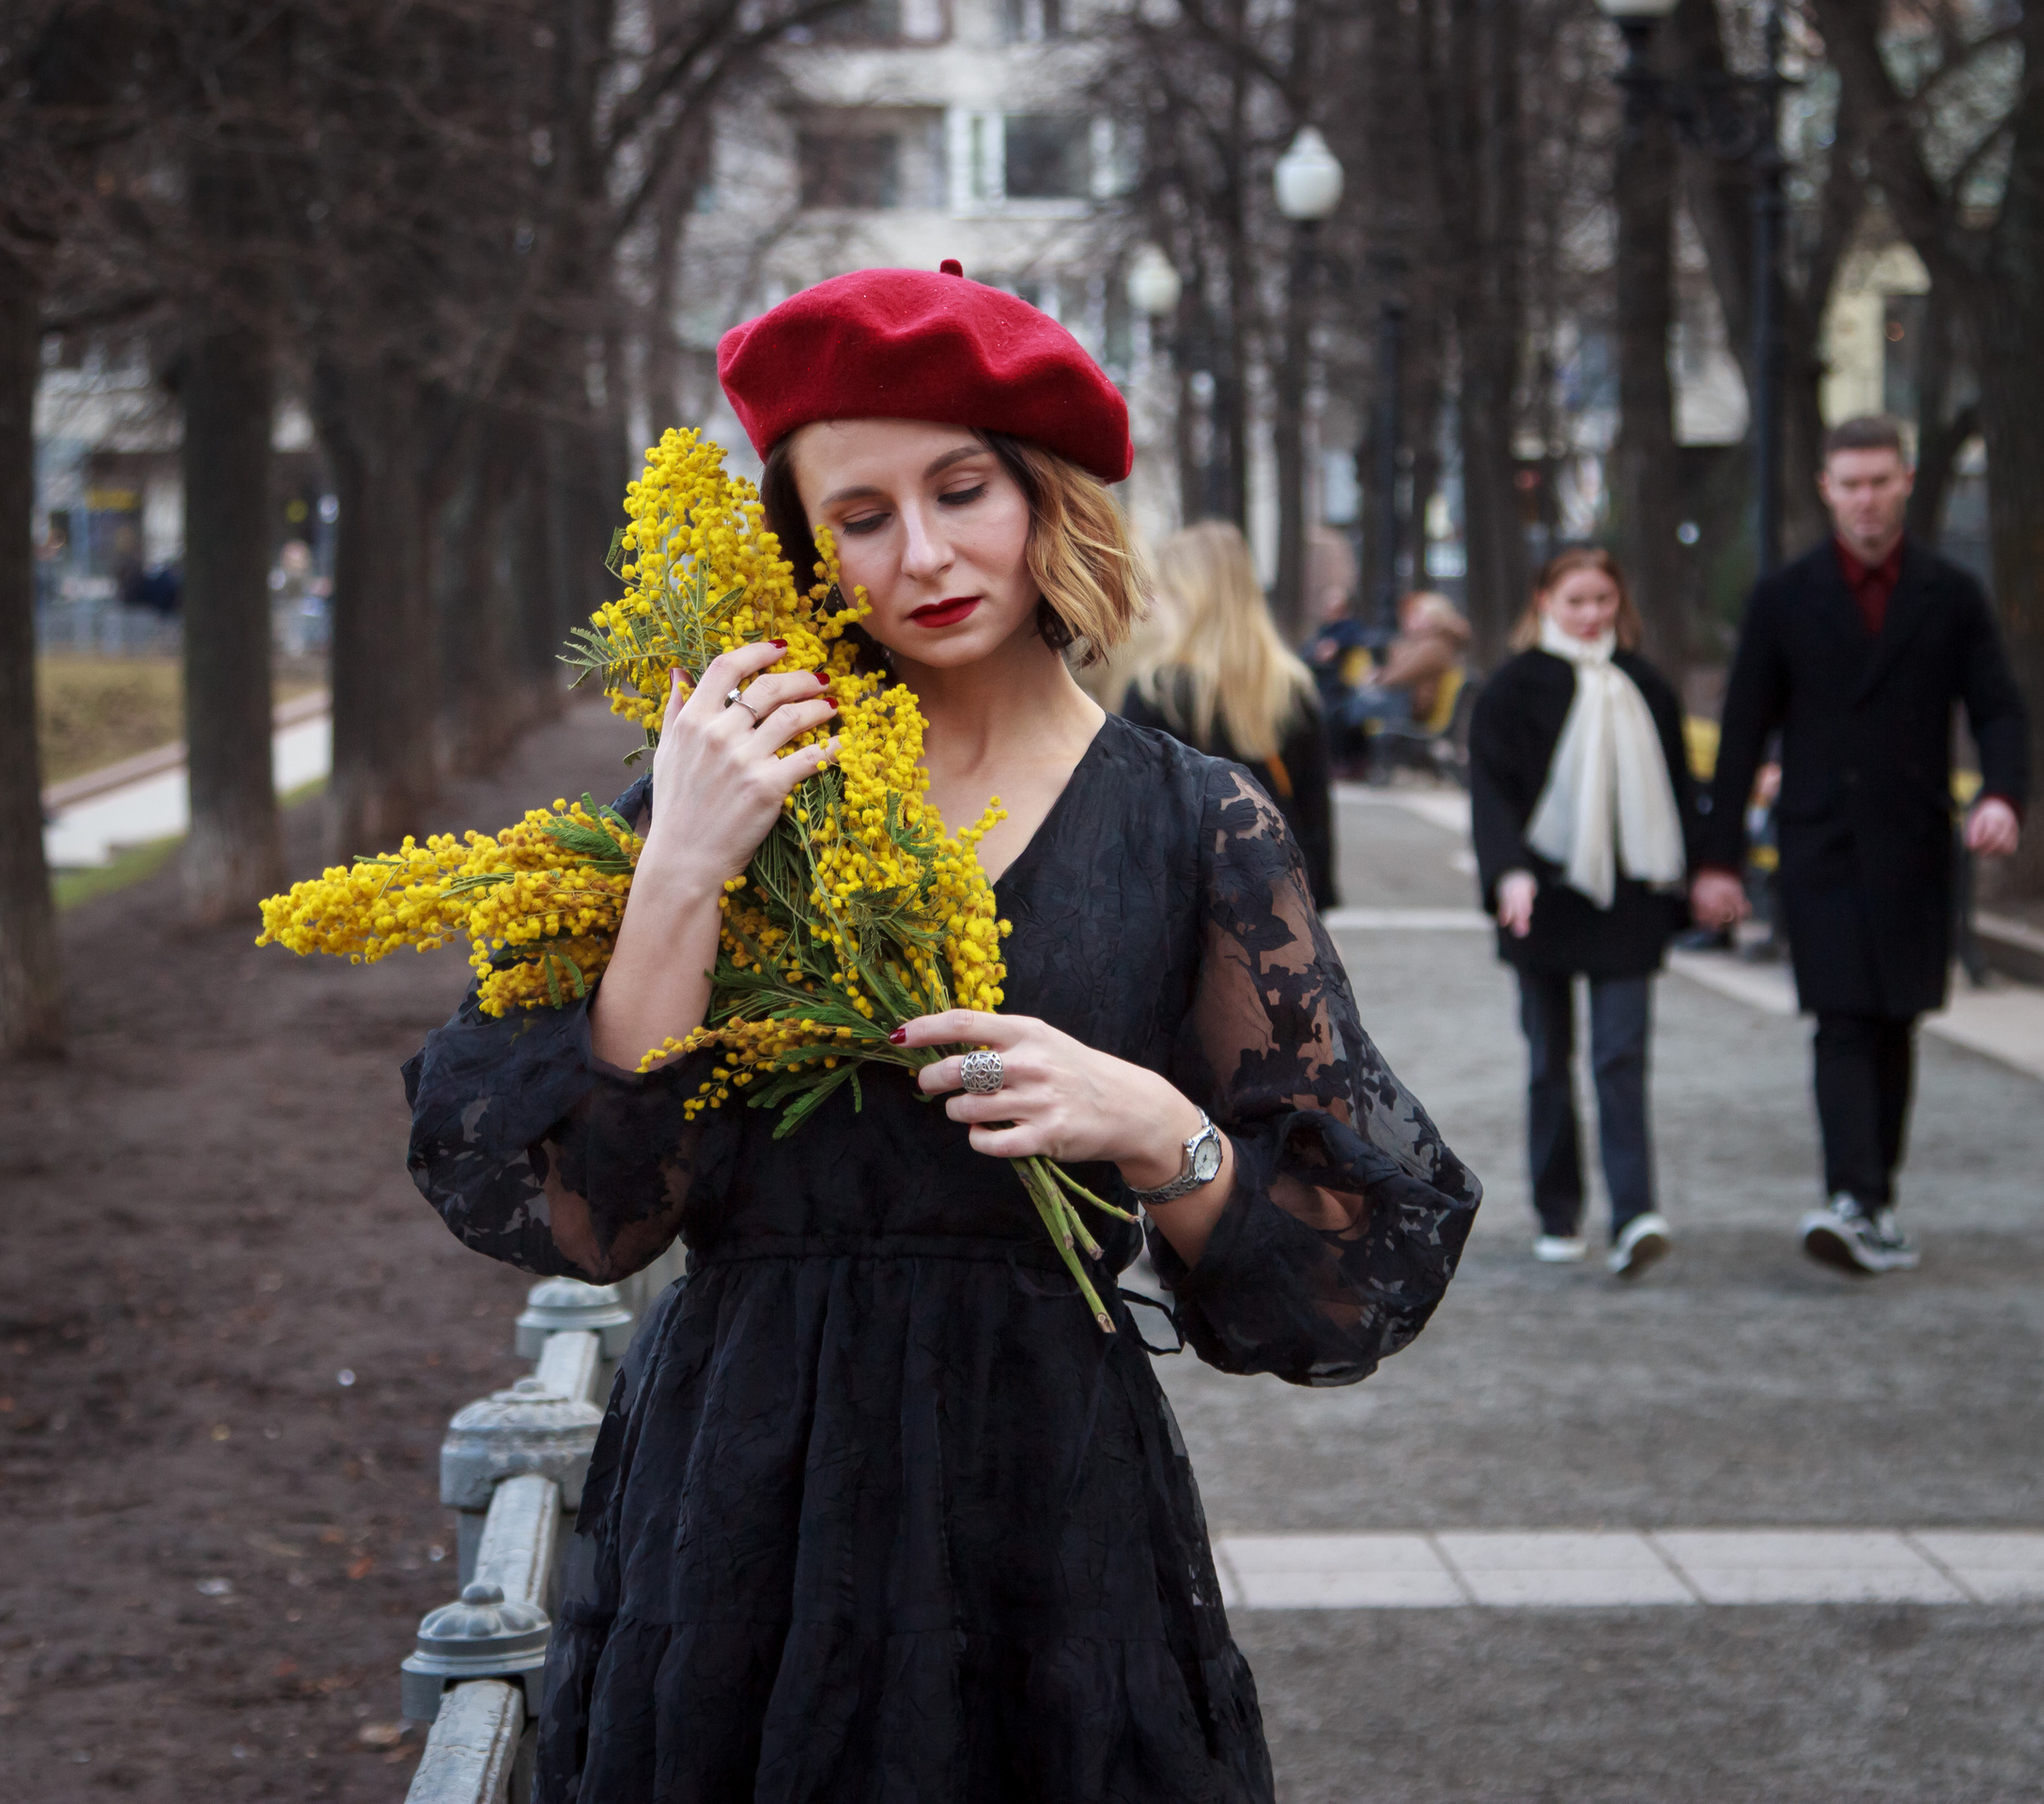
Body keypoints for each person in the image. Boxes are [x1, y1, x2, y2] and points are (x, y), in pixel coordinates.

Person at [400, 263, 1482, 1802]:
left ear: (1045, 500)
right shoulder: (722, 791)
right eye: (860, 515)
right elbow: (593, 1210)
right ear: (807, 546)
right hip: (736, 1510)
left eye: (962, 490)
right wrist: (682, 871)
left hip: (1043, 1503)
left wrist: (1147, 1122)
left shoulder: (1194, 826)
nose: (922, 554)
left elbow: (1349, 1265)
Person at [1695, 414, 2028, 1276]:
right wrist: (1719, 859)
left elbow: (1997, 704)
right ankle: (1850, 1197)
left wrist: (2001, 793)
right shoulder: (1786, 596)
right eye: (1851, 483)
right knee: (1840, 1017)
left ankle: (1875, 1198)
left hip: (1916, 841)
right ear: (1826, 490)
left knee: (1895, 1022)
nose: (1867, 498)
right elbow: (1742, 731)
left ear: (1907, 481)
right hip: (1823, 843)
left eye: (1881, 480)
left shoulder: (1950, 594)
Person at [1469, 547, 1698, 1278]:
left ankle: (1635, 1212)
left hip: (1628, 897)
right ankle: (1557, 1207)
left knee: (1621, 1056)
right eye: (1577, 600)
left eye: (1603, 598)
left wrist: (1695, 880)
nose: (1592, 613)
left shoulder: (1646, 686)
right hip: (1540, 898)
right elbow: (1491, 791)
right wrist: (1508, 872)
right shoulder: (1511, 686)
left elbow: (1678, 789)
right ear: (1544, 601)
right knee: (1549, 1060)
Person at [1122, 519, 1338, 911]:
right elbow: (1314, 814)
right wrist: (1316, 911)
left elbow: (1136, 822)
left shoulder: (1157, 691)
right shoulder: (1292, 687)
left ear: (1186, 597)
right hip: (1279, 903)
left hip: (1185, 905)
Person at [1342, 590, 1470, 737]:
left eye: (1419, 614)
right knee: (1352, 707)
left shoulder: (1435, 646)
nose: (1412, 619)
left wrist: (1377, 677)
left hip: (1415, 708)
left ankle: (1352, 758)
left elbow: (1401, 675)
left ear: (1435, 617)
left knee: (1351, 709)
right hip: (1409, 702)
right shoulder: (1426, 642)